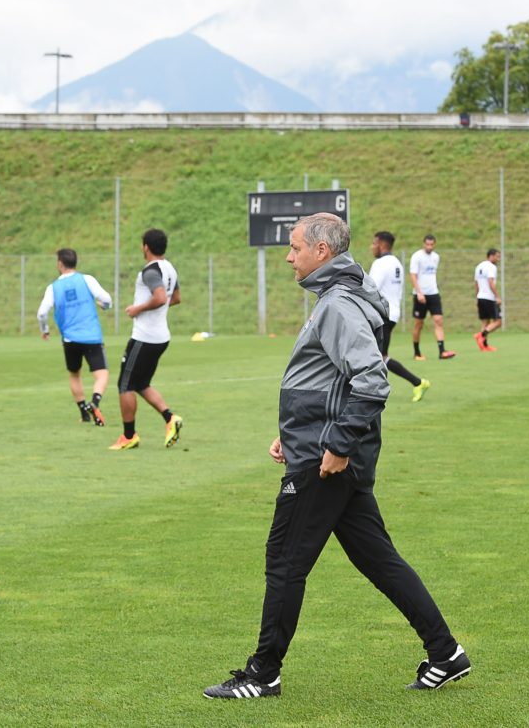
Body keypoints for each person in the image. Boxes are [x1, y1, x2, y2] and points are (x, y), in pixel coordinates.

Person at [204, 213, 469, 700]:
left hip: (327, 462)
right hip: (322, 449)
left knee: (284, 561)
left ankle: (263, 674)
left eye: (295, 247)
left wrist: (336, 444)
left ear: (321, 252)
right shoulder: (341, 296)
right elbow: (330, 380)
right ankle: (446, 653)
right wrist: (294, 431)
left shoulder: (338, 304)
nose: (289, 257)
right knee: (379, 559)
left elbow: (371, 380)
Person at [109, 228, 183, 450]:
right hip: (161, 336)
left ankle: (129, 436)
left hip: (145, 337)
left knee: (124, 385)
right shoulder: (169, 268)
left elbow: (160, 297)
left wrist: (138, 309)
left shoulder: (150, 271)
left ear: (146, 247)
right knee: (141, 383)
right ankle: (171, 418)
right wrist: (155, 309)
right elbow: (175, 298)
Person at [37, 248, 113, 425]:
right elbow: (106, 298)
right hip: (92, 336)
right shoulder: (87, 279)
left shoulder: (53, 287)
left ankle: (84, 414)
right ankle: (94, 402)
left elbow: (42, 313)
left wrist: (45, 329)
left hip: (70, 339)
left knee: (74, 375)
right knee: (101, 375)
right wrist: (105, 306)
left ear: (60, 264)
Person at [369, 231, 431, 402]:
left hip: (381, 315)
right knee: (378, 356)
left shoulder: (381, 264)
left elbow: (370, 290)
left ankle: (415, 383)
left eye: (374, 243)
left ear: (381, 245)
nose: (372, 247)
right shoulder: (396, 263)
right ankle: (417, 382)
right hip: (391, 314)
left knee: (372, 355)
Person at [409, 234, 455, 360]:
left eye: (431, 244)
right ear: (424, 244)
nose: (429, 246)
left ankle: (442, 351)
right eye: (427, 244)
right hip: (420, 295)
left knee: (439, 321)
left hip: (434, 293)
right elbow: (413, 275)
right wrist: (419, 292)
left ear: (434, 244)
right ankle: (417, 352)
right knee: (419, 324)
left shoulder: (436, 257)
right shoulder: (417, 256)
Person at [473, 250, 502, 351]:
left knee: (485, 322)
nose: (499, 259)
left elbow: (476, 284)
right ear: (491, 256)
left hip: (481, 297)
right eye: (497, 257)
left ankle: (484, 346)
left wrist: (476, 297)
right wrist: (497, 296)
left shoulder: (479, 266)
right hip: (489, 297)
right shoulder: (491, 267)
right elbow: (491, 282)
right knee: (498, 321)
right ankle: (481, 335)